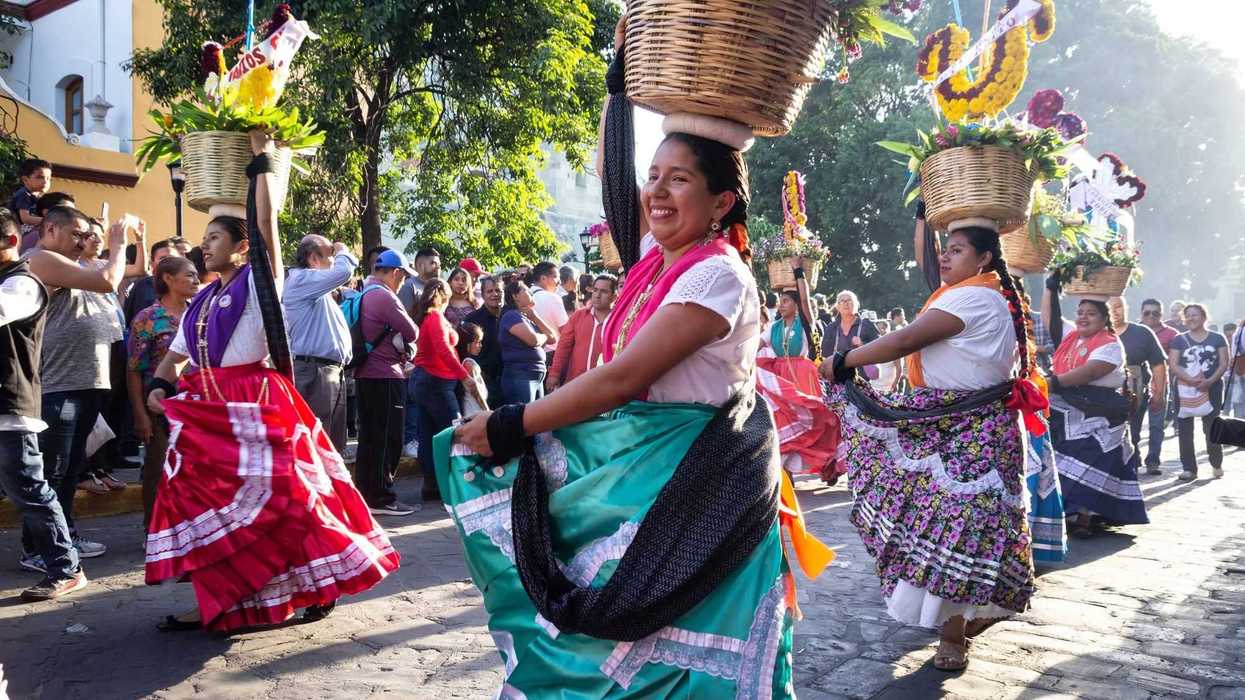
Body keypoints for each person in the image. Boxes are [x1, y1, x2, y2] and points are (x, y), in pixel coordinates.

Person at [440, 28, 831, 691]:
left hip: (689, 485)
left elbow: (623, 378)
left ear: (720, 202)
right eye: (653, 177)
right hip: (633, 472)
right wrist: (618, 78)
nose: (655, 192)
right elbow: (611, 172)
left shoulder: (717, 277)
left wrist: (514, 423)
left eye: (678, 180)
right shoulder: (658, 262)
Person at [142, 131, 399, 632]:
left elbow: (266, 227)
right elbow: (176, 359)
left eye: (214, 238)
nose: (203, 245)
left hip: (255, 407)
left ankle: (323, 581)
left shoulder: (260, 286)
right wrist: (159, 385)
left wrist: (260, 163)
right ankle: (216, 601)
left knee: (290, 502)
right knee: (211, 509)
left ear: (241, 248)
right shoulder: (200, 302)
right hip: (208, 416)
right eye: (205, 238)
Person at [823, 214, 1042, 671]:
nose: (945, 255)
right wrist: (923, 217)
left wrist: (844, 360)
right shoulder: (971, 293)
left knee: (960, 528)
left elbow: (905, 339)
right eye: (946, 247)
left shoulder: (978, 298)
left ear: (984, 257)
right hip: (949, 421)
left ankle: (955, 633)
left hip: (972, 428)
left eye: (958, 249)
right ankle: (964, 617)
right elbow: (923, 264)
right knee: (941, 522)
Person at [24, 207, 129, 565]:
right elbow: (108, 281)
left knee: (69, 470)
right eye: (77, 234)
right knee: (51, 471)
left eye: (88, 235)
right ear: (50, 228)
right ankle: (39, 549)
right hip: (57, 384)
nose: (84, 242)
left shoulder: (75, 266)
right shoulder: (39, 259)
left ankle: (63, 536)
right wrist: (118, 246)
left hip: (86, 382)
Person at [0, 207, 87, 601]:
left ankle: (66, 568)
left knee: (31, 490)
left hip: (10, 406)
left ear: (12, 241)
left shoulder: (22, 283)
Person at [1042, 290, 1148, 538]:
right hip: (1065, 407)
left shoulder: (1110, 344)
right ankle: (1062, 511)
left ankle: (1084, 516)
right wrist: (1050, 288)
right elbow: (1050, 320)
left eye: (1091, 314)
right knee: (1053, 456)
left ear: (1104, 319)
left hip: (1101, 412)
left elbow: (1090, 372)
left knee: (1091, 458)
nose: (1083, 318)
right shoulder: (1072, 338)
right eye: (1080, 313)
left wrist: (1051, 383)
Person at [126, 256, 198, 526]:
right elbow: (133, 370)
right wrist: (140, 415)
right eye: (188, 274)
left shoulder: (198, 312)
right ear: (168, 278)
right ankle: (154, 531)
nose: (195, 279)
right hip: (161, 407)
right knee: (159, 470)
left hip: (196, 406)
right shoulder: (148, 318)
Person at [354, 249, 422, 515]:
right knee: (387, 440)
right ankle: (382, 498)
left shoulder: (364, 293)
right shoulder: (384, 295)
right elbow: (412, 331)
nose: (403, 283)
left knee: (369, 439)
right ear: (396, 273)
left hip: (365, 375)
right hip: (385, 375)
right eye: (403, 277)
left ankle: (368, 496)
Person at [756, 279, 839, 480]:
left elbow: (805, 300)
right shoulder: (773, 327)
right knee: (783, 421)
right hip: (780, 380)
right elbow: (757, 344)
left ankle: (827, 463)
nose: (781, 305)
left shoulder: (805, 324)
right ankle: (787, 471)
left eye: (785, 301)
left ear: (796, 305)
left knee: (812, 419)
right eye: (780, 301)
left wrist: (798, 272)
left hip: (803, 376)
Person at [283, 234, 356, 452]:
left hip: (327, 370)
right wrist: (342, 249)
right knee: (317, 441)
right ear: (314, 258)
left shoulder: (315, 287)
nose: (334, 258)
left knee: (331, 443)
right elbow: (344, 271)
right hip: (315, 370)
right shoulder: (301, 279)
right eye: (330, 255)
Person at [411, 279, 467, 504]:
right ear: (446, 295)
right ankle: (452, 486)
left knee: (429, 435)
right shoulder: (435, 318)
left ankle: (432, 485)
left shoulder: (428, 317)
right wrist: (464, 375)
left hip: (426, 381)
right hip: (437, 382)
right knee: (454, 434)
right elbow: (444, 349)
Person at [1169, 304, 1229, 481]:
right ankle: (1189, 468)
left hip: (1213, 389)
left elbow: (1224, 362)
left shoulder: (1218, 338)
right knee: (1185, 430)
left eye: (1195, 315)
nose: (1191, 318)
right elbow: (1174, 364)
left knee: (1211, 428)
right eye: (1187, 316)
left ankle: (1216, 462)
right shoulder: (1179, 339)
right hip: (1184, 389)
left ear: (1204, 317)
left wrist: (1209, 381)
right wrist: (1190, 380)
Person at [1108, 297, 1167, 473]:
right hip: (1103, 390)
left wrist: (1159, 395)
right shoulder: (1098, 333)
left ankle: (1133, 465)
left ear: (1126, 308)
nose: (1114, 311)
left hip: (1135, 389)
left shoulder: (1142, 332)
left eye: (1118, 307)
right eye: (1109, 308)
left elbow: (1158, 364)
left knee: (1132, 431)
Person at [546, 273, 617, 392]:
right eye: (595, 290)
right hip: (576, 384)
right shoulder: (579, 316)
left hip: (606, 387)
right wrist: (554, 374)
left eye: (604, 291)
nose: (597, 295)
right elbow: (563, 346)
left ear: (614, 297)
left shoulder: (619, 319)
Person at [498, 279, 559, 403]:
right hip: (521, 375)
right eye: (526, 290)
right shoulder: (511, 316)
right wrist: (543, 337)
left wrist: (535, 317)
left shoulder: (528, 318)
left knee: (538, 418)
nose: (531, 292)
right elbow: (533, 340)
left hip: (536, 375)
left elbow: (553, 338)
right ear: (515, 296)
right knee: (524, 416)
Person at [1139, 298, 1178, 463]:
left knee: (1156, 426)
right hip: (1136, 386)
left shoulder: (1172, 334)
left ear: (1161, 314)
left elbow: (1175, 360)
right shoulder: (1134, 331)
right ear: (1141, 313)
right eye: (1147, 312)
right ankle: (1133, 458)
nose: (1151, 316)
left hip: (1161, 385)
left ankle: (1153, 459)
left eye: (1155, 313)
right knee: (1133, 426)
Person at [464, 276, 504, 407]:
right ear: (482, 294)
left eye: (498, 290)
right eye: (490, 291)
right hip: (486, 381)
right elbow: (467, 351)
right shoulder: (473, 319)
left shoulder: (511, 315)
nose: (494, 294)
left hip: (511, 378)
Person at [123, 239, 182, 327]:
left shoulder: (186, 285)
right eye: (163, 258)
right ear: (153, 262)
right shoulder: (144, 286)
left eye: (172, 257)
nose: (168, 262)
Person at [529, 261, 570, 364]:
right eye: (555, 277)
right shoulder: (552, 298)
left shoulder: (524, 296)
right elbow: (565, 331)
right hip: (552, 355)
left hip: (529, 355)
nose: (559, 281)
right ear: (543, 278)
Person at [822, 289, 880, 359]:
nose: (846, 304)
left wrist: (862, 344)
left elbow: (879, 348)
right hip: (839, 368)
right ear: (837, 306)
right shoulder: (831, 327)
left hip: (862, 367)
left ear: (856, 305)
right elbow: (825, 353)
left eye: (849, 301)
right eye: (842, 301)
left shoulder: (866, 325)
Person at [9, 158, 51, 238]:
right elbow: (26, 219)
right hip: (15, 229)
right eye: (40, 177)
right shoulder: (24, 195)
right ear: (25, 180)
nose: (45, 182)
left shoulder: (36, 196)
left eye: (48, 178)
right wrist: (49, 220)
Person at [455, 322, 489, 417]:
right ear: (467, 342)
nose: (480, 345)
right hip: (474, 410)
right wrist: (486, 409)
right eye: (478, 342)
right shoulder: (468, 364)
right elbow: (476, 392)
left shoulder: (463, 361)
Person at [396, 247, 441, 313]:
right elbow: (404, 316)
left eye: (439, 264)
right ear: (420, 265)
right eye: (433, 263)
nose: (438, 267)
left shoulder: (438, 287)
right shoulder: (409, 286)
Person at [870, 319, 903, 392]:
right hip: (874, 386)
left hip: (889, 388)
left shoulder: (894, 347)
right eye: (877, 329)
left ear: (888, 330)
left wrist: (896, 382)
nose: (879, 331)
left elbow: (899, 367)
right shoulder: (872, 346)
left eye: (882, 328)